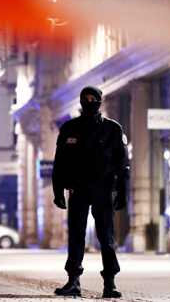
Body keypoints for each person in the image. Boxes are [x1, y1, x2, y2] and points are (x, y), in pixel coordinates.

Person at [51, 86, 129, 299]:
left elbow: (122, 164)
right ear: (80, 101)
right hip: (78, 188)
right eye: (85, 99)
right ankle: (73, 280)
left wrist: (122, 192)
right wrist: (58, 189)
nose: (89, 102)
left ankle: (110, 283)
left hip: (103, 189)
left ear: (99, 101)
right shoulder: (69, 128)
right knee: (76, 235)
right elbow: (60, 162)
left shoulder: (112, 129)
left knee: (106, 236)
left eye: (93, 98)